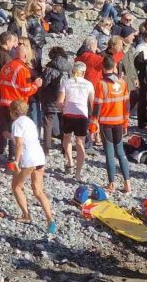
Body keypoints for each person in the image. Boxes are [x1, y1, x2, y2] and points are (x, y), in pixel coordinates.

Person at [8, 100, 56, 233]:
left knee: (16, 187)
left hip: (28, 158)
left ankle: (26, 215)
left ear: (13, 112)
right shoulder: (29, 121)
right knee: (38, 191)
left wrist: (16, 161)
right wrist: (9, 136)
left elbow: (19, 145)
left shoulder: (16, 123)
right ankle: (50, 219)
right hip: (39, 156)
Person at [90, 55, 131, 193]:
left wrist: (93, 127)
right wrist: (126, 123)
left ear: (102, 68)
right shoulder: (122, 82)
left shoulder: (101, 84)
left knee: (109, 153)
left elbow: (97, 107)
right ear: (114, 67)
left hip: (106, 123)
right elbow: (127, 104)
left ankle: (112, 184)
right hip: (119, 122)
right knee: (121, 152)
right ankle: (127, 183)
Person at [0, 44, 41, 162]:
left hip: (4, 101)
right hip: (16, 105)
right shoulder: (23, 70)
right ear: (26, 55)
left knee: (3, 128)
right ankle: (12, 157)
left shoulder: (6, 66)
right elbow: (26, 91)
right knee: (15, 131)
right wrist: (36, 85)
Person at [56, 61, 94, 180]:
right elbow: (93, 103)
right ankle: (77, 173)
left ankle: (70, 162)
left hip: (68, 114)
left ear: (73, 71)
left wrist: (62, 108)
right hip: (82, 115)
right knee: (80, 142)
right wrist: (93, 118)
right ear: (83, 72)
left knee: (67, 138)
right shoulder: (89, 84)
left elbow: (59, 102)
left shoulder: (67, 83)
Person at [40, 47, 71, 156]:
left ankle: (46, 149)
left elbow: (44, 84)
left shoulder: (49, 68)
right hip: (64, 99)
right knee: (64, 124)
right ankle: (65, 148)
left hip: (50, 100)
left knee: (48, 124)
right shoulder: (69, 68)